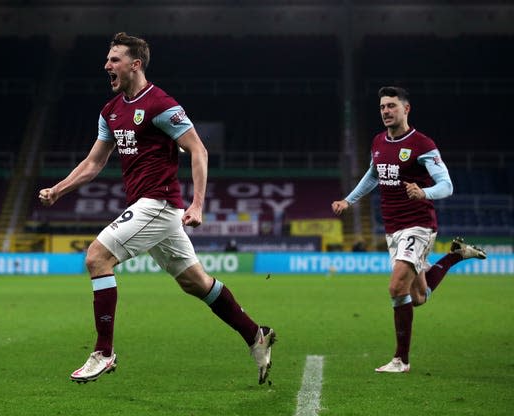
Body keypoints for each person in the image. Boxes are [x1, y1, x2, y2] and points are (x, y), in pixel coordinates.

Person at [38, 32, 275, 385]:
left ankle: (104, 352)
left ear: (135, 64)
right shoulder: (111, 111)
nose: (107, 65)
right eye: (108, 59)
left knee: (96, 258)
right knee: (196, 283)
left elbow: (198, 150)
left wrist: (197, 204)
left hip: (159, 202)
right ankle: (256, 334)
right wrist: (59, 189)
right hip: (150, 207)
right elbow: (93, 162)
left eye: (114, 59)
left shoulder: (161, 104)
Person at [331, 86, 486, 373]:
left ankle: (401, 360)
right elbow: (373, 175)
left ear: (406, 109)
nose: (386, 111)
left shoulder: (422, 144)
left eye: (392, 106)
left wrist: (424, 193)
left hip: (419, 226)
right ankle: (455, 256)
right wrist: (348, 200)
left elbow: (447, 186)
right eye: (382, 107)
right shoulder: (378, 141)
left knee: (395, 287)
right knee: (417, 298)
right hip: (392, 228)